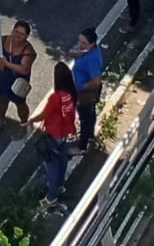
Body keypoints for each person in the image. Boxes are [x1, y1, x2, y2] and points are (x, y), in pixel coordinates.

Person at [27, 62, 78, 214]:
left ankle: (51, 197)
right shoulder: (71, 94)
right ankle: (60, 185)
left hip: (53, 134)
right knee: (62, 159)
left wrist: (31, 120)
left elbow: (44, 115)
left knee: (51, 166)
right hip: (64, 133)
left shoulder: (55, 97)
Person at [0, 20, 35, 134]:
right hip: (1, 77)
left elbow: (24, 69)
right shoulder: (2, 40)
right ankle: (1, 121)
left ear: (27, 36)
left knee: (20, 104)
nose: (18, 36)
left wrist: (6, 63)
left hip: (17, 82)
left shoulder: (28, 50)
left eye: (22, 34)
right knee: (2, 100)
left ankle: (24, 123)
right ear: (12, 30)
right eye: (16, 31)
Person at [70, 27, 103, 155]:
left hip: (85, 94)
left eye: (84, 43)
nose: (80, 44)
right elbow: (72, 52)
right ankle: (90, 135)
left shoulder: (92, 59)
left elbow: (96, 81)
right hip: (81, 90)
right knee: (90, 114)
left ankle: (82, 147)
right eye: (79, 41)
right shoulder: (84, 49)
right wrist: (75, 52)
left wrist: (80, 89)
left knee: (85, 119)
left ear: (92, 44)